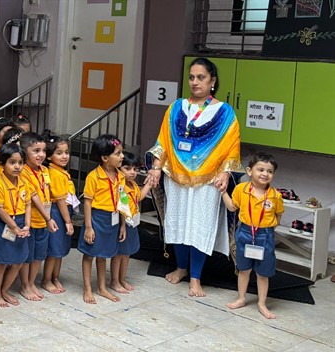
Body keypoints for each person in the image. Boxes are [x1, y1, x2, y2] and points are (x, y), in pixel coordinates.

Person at [146, 57, 242, 298]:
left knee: (200, 227)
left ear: (213, 81)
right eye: (191, 77)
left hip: (208, 181)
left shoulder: (224, 112)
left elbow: (231, 148)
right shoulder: (176, 108)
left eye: (201, 77)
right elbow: (163, 142)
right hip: (176, 177)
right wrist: (157, 167)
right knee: (178, 224)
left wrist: (225, 172)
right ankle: (180, 268)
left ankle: (196, 278)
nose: (195, 82)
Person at [221, 152, 283, 319]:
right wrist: (223, 192)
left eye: (269, 171)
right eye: (260, 169)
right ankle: (241, 298)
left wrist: (268, 228)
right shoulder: (241, 189)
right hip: (245, 233)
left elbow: (278, 215)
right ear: (249, 171)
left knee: (263, 273)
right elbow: (232, 207)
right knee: (243, 269)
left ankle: (262, 303)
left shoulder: (275, 195)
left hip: (265, 235)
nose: (265, 174)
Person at [78, 135, 126, 304]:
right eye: (118, 153)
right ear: (105, 158)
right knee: (90, 253)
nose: (122, 157)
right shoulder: (93, 177)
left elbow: (123, 200)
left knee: (104, 253)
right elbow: (88, 203)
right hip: (97, 219)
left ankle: (101, 287)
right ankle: (87, 288)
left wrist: (123, 224)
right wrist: (89, 227)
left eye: (122, 153)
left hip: (112, 220)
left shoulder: (120, 176)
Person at [0, 143, 31, 307]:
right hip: (5, 224)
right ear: (2, 163)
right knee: (2, 262)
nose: (17, 166)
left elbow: (28, 204)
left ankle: (5, 290)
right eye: (12, 162)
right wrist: (14, 227)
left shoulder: (23, 182)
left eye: (20, 163)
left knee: (19, 260)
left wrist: (27, 225)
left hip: (21, 222)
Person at [18, 133, 58, 301]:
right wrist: (49, 218)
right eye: (36, 151)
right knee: (27, 256)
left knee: (39, 255)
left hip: (43, 220)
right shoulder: (24, 171)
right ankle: (25, 285)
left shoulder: (45, 170)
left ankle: (32, 282)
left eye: (43, 151)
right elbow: (34, 197)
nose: (41, 154)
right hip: (31, 220)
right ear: (24, 151)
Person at [111, 152, 152, 294]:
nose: (132, 172)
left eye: (135, 169)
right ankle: (114, 281)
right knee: (118, 254)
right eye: (127, 169)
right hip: (123, 224)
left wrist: (149, 184)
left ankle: (122, 279)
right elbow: (122, 207)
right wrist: (122, 226)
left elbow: (139, 197)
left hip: (132, 223)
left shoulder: (133, 185)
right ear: (119, 169)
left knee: (127, 253)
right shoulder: (120, 186)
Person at [43, 136, 75, 294]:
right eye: (59, 153)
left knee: (61, 248)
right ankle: (46, 279)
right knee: (54, 249)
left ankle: (56, 277)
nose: (64, 156)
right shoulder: (53, 173)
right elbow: (61, 200)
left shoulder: (62, 172)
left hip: (65, 211)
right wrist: (68, 221)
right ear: (49, 156)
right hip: (57, 212)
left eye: (67, 152)